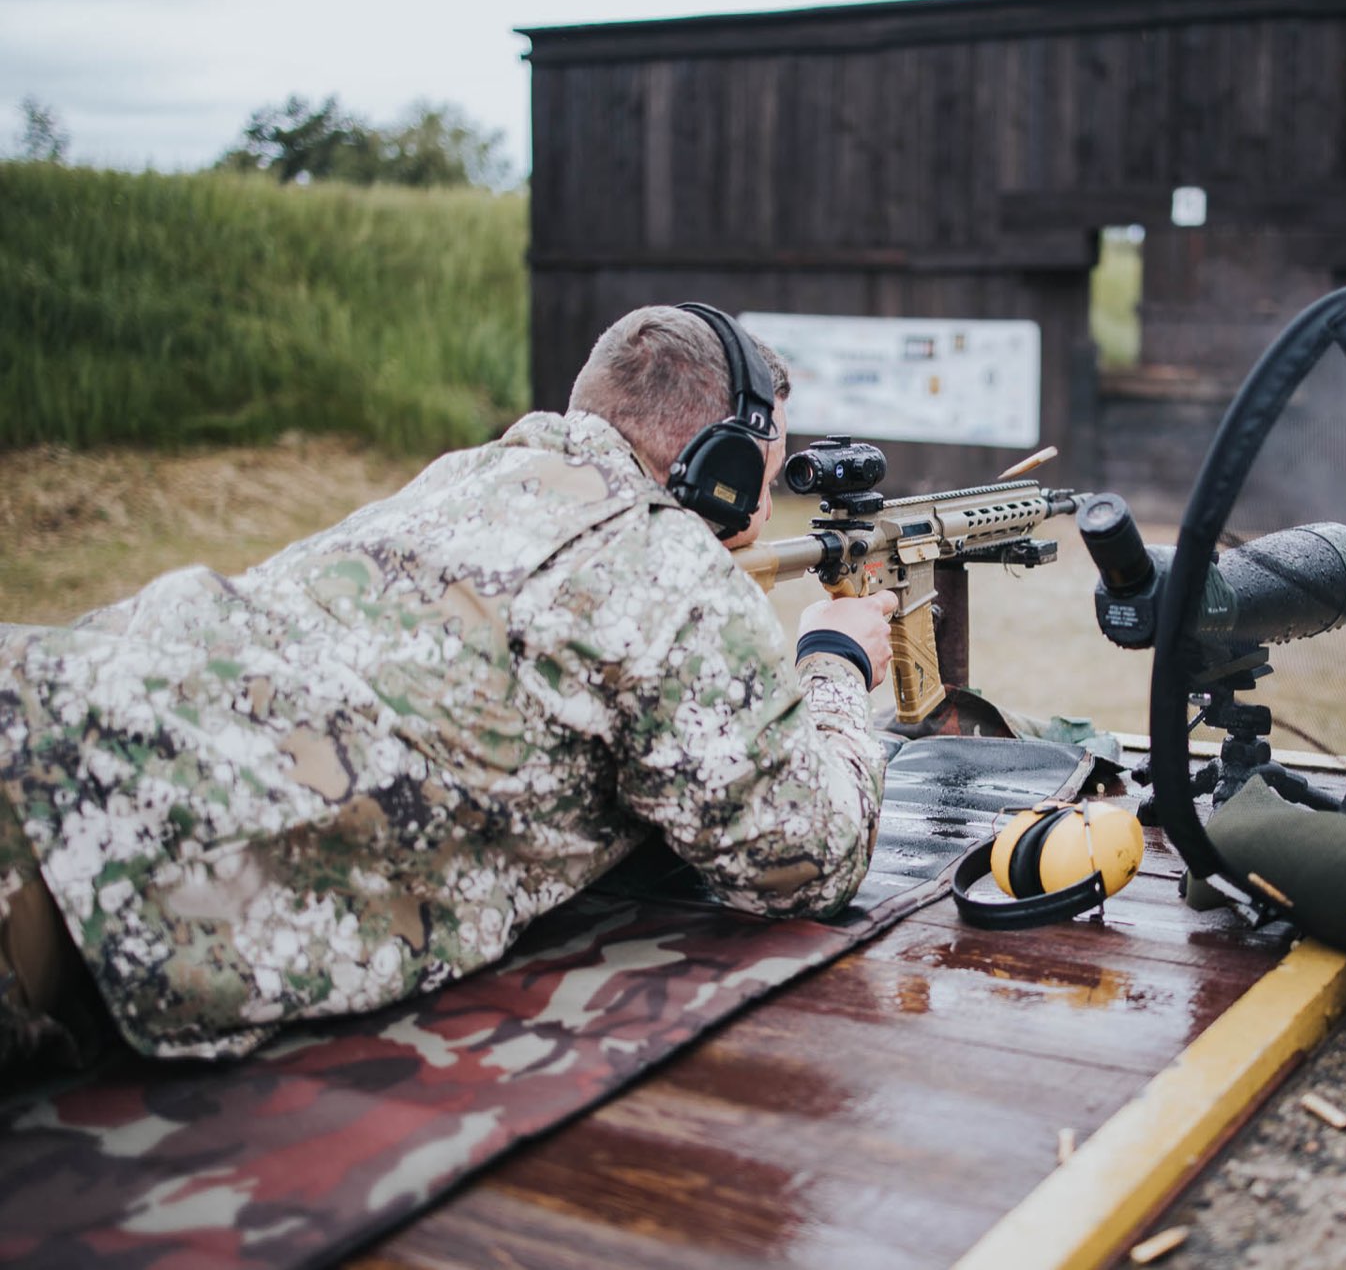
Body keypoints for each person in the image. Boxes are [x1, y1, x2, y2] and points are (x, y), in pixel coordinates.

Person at [0, 305, 897, 1074]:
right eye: (765, 479)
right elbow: (802, 862)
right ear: (723, 462)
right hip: (62, 871)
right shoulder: (655, 554)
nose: (761, 508)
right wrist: (832, 663)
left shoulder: (459, 480)